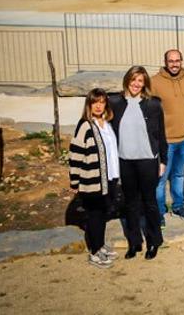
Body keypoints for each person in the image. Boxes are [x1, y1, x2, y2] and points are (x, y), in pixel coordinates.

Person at [109, 66, 166, 260]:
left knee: (149, 202)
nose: (136, 84)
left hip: (147, 160)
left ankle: (154, 241)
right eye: (133, 80)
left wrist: (163, 160)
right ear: (127, 80)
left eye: (140, 81)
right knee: (130, 203)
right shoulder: (115, 103)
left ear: (145, 84)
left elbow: (161, 135)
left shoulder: (153, 104)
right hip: (125, 160)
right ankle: (134, 243)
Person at [69, 88, 121, 268]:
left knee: (102, 214)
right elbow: (75, 155)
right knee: (94, 215)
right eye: (95, 102)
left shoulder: (106, 123)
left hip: (109, 179)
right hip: (92, 180)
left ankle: (99, 246)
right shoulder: (85, 125)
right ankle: (94, 252)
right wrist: (74, 181)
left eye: (102, 102)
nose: (99, 106)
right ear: (89, 105)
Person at [151, 49, 184, 226]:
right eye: (171, 61)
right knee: (161, 178)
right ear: (165, 62)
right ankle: (160, 212)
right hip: (165, 140)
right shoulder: (155, 82)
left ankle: (179, 206)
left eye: (177, 60)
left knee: (178, 175)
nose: (174, 64)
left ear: (182, 61)